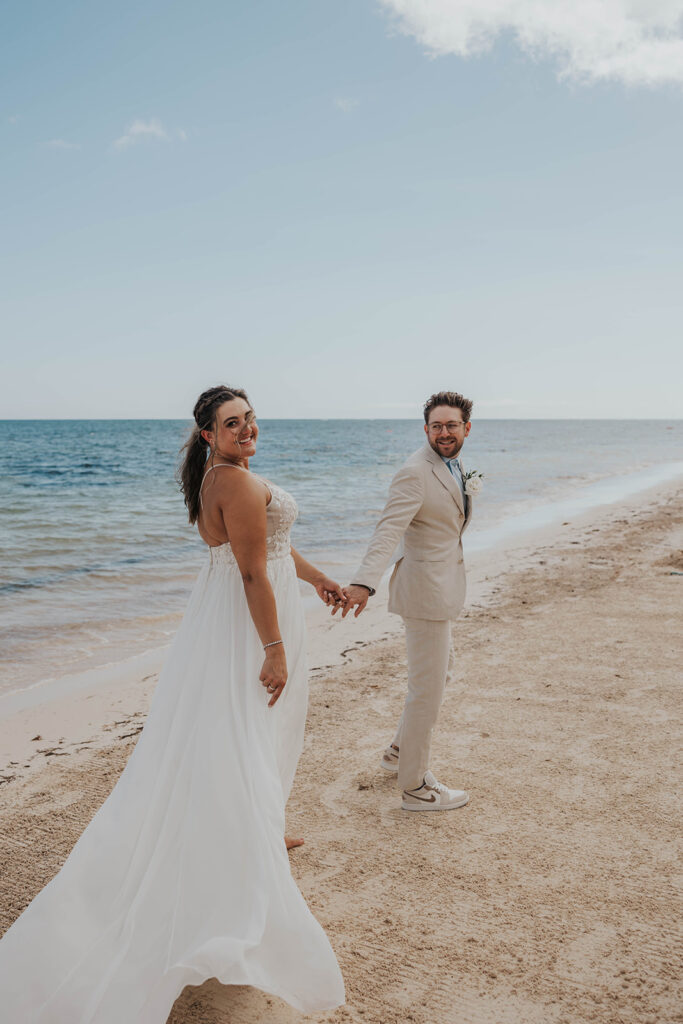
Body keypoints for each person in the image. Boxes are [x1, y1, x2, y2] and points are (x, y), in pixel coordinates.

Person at [0, 384, 346, 1020]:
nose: (247, 430)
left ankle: (260, 828)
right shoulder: (234, 482)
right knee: (240, 731)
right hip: (245, 625)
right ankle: (245, 845)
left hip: (226, 621)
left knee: (237, 732)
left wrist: (320, 578)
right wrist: (273, 646)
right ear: (208, 433)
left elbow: (268, 546)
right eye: (232, 423)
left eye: (250, 419)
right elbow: (251, 571)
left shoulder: (224, 477)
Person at [340, 391, 476, 812]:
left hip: (441, 585)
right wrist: (364, 582)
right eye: (436, 426)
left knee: (440, 672)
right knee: (427, 689)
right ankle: (415, 786)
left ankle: (397, 752)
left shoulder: (451, 466)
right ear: (426, 430)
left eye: (451, 425)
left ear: (466, 427)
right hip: (424, 593)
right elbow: (388, 529)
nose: (444, 432)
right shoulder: (415, 472)